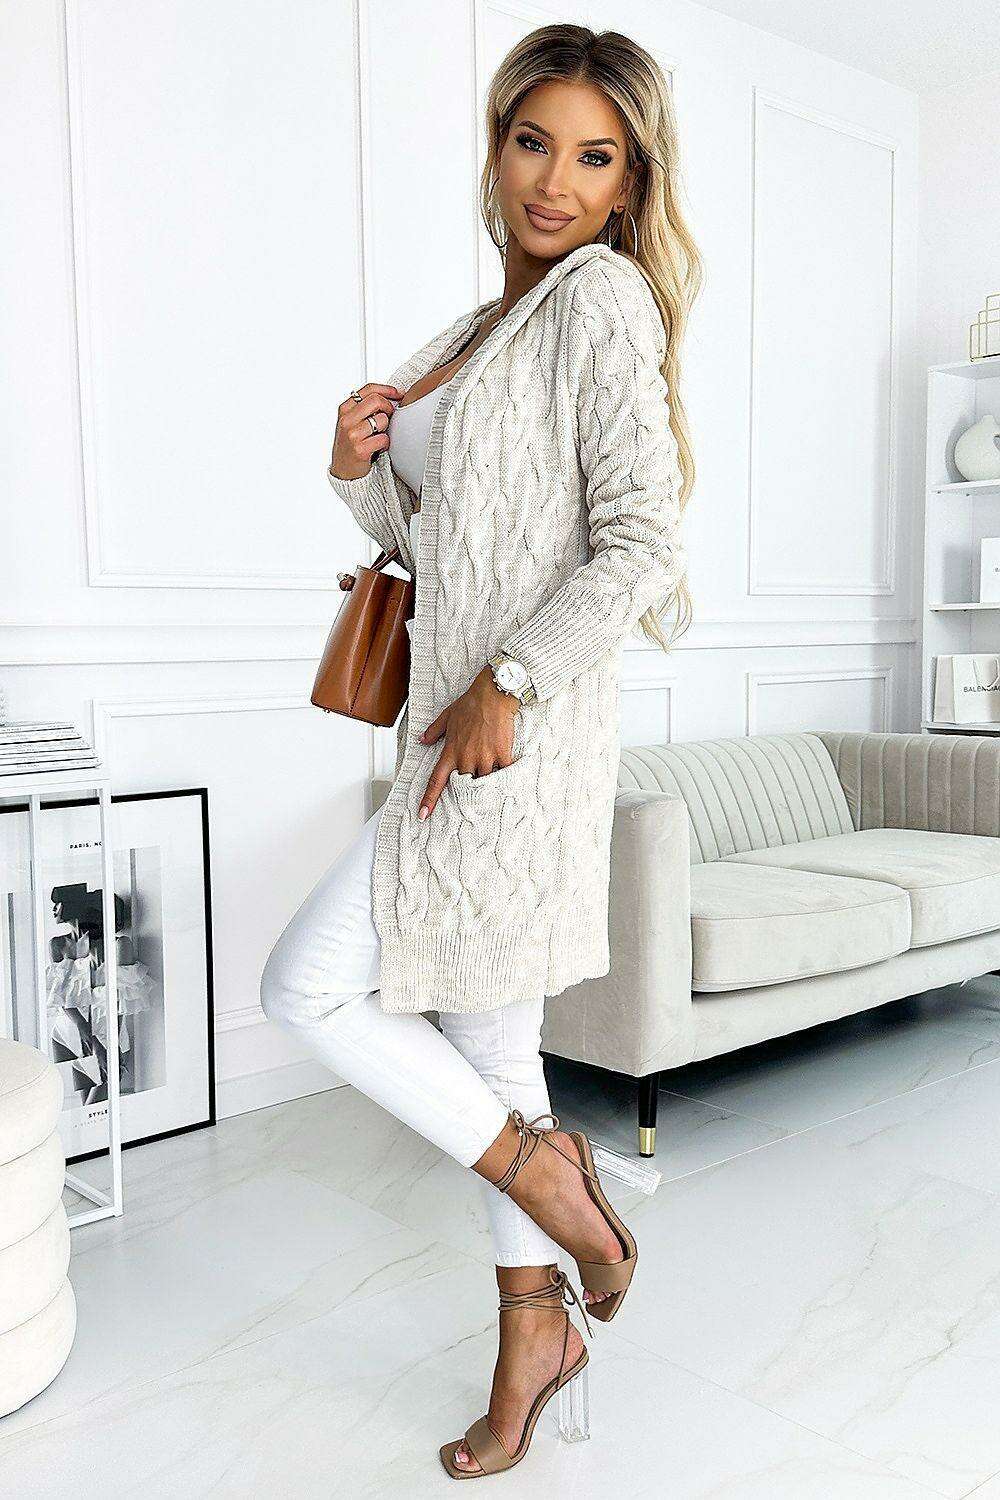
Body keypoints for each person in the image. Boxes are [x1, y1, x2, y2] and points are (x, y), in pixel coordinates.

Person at [260, 21, 701, 1481]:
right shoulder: (474, 328)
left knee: (307, 986)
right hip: (448, 734)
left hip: (513, 746)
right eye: (533, 143)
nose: (555, 183)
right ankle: (536, 1334)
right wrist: (358, 469)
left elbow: (640, 541)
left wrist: (512, 680)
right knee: (496, 1047)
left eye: (595, 157)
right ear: (498, 145)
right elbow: (445, 546)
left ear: (632, 183)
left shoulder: (600, 303)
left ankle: (553, 1179)